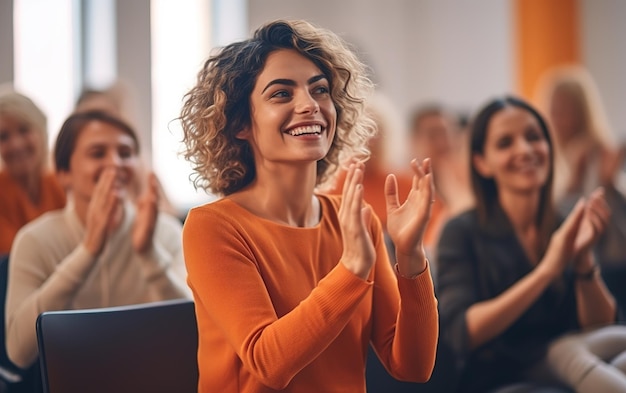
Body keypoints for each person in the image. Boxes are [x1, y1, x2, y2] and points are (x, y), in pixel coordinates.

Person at [179, 19, 439, 392]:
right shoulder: (212, 227)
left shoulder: (357, 221)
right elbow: (269, 362)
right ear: (240, 123)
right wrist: (351, 270)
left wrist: (411, 257)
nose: (310, 105)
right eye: (281, 94)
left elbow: (413, 367)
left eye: (319, 90)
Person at [437, 95, 626, 393]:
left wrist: (583, 262)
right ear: (482, 163)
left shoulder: (565, 221)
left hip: (575, 355)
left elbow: (602, 325)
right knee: (574, 356)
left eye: (534, 137)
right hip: (500, 376)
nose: (524, 150)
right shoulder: (460, 231)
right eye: (505, 143)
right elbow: (463, 333)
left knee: (617, 352)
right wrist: (545, 272)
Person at [5, 110, 191, 371]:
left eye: (126, 153)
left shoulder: (166, 231)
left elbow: (193, 331)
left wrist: (149, 254)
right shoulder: (34, 239)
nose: (115, 163)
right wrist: (88, 251)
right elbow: (18, 352)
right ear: (63, 173)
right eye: (98, 153)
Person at [534, 65, 626, 266]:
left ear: (583, 111)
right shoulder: (547, 155)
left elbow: (582, 218)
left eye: (566, 110)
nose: (558, 119)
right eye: (554, 110)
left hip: (605, 266)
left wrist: (605, 182)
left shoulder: (600, 153)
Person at [0, 88, 66, 255]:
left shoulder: (61, 184)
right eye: (3, 137)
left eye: (24, 130)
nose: (16, 144)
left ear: (42, 132)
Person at [408, 103, 473, 263]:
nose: (443, 142)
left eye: (449, 133)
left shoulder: (473, 182)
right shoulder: (405, 188)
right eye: (433, 134)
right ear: (414, 140)